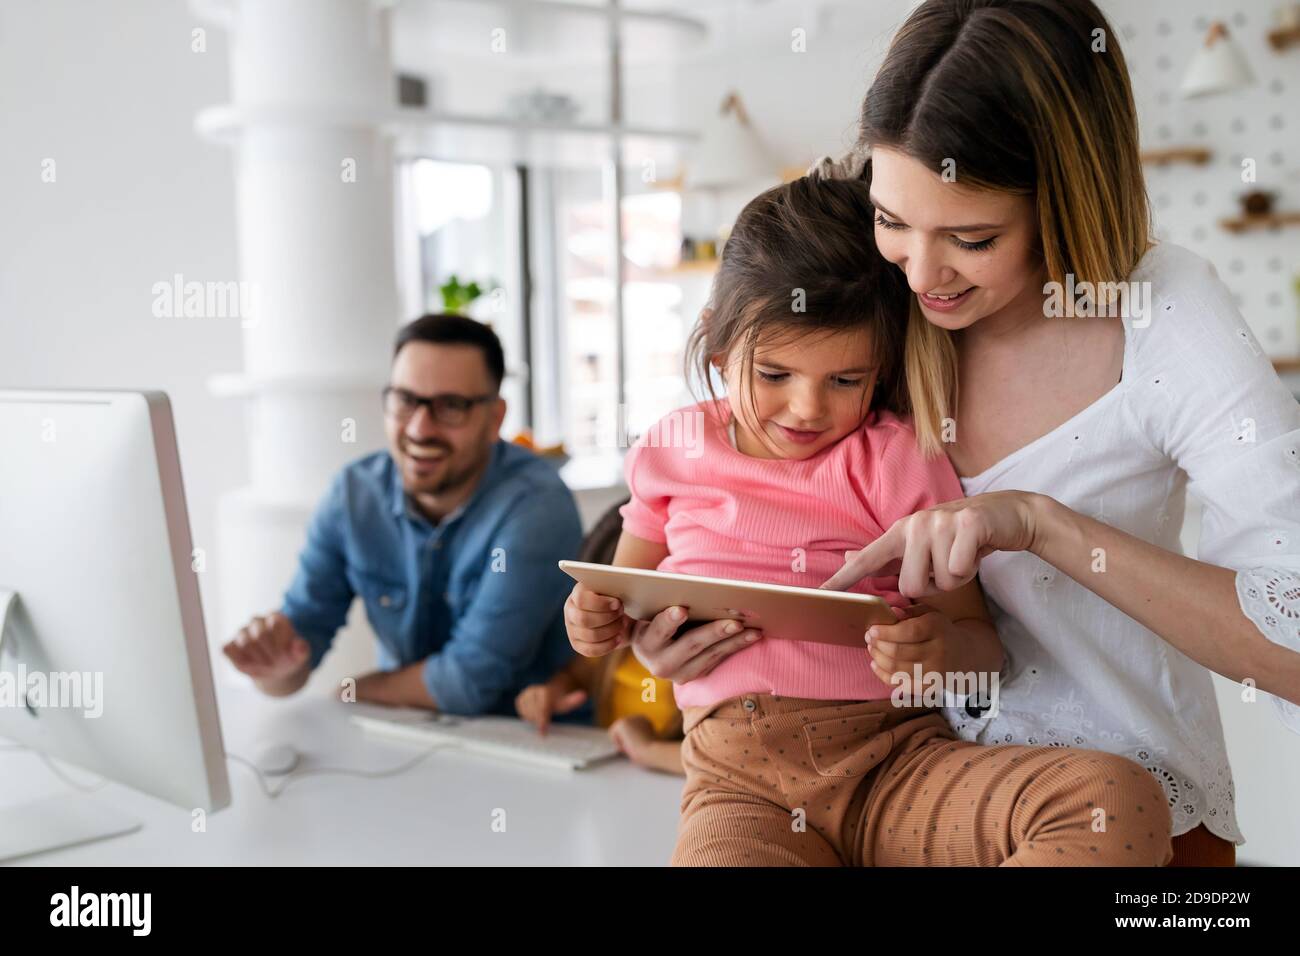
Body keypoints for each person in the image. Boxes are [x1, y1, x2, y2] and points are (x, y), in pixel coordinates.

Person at [802, 0, 1300, 866]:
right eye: (892, 220)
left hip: (1135, 830)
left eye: (971, 237)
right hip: (895, 798)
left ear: (1065, 196)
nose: (921, 273)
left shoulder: (1160, 312)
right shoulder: (871, 288)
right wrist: (690, 617)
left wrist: (1041, 525)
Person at [567, 175, 1173, 866]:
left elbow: (980, 644)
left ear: (880, 371)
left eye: (845, 381)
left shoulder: (895, 460)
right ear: (717, 349)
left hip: (895, 765)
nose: (806, 409)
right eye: (773, 375)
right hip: (739, 786)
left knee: (1114, 801)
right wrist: (591, 622)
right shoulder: (669, 450)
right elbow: (617, 596)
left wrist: (938, 650)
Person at [222, 313, 582, 715]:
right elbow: (298, 647)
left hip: (526, 742)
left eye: (451, 407)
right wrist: (271, 665)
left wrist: (353, 690)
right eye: (405, 400)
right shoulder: (354, 495)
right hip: (404, 736)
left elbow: (467, 683)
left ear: (495, 418)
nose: (419, 429)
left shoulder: (537, 506)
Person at [516, 501, 685, 775]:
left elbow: (728, 762)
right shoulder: (616, 645)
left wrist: (649, 750)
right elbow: (578, 675)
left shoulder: (700, 652)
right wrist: (551, 694)